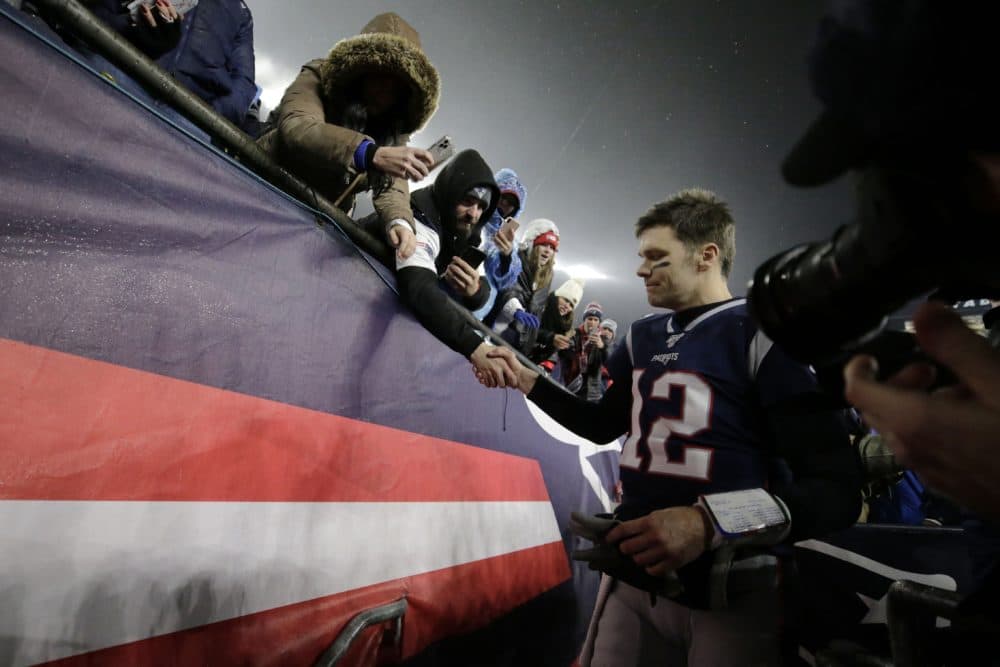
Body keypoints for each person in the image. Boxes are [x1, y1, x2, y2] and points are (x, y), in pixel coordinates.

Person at [481, 189, 861, 666]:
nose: (642, 270)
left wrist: (708, 522)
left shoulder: (763, 331)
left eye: (657, 258)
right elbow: (600, 425)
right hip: (634, 581)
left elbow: (836, 489)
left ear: (707, 255)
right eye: (643, 258)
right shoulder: (643, 335)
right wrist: (527, 379)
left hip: (731, 590)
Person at [257, 12, 439, 260]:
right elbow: (298, 127)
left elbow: (393, 183)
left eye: (394, 85)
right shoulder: (318, 76)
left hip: (314, 224)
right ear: (360, 69)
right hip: (262, 186)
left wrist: (400, 222)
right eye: (378, 75)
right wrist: (368, 153)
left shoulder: (392, 126)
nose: (383, 92)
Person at [388, 148, 514, 386]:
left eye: (481, 207)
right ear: (450, 193)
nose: (473, 214)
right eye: (467, 201)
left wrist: (474, 291)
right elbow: (419, 288)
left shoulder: (468, 235)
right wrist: (474, 347)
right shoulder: (420, 216)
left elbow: (484, 289)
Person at [488, 218, 559, 353]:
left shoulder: (547, 278)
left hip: (519, 347)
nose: (548, 251)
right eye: (544, 245)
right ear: (532, 244)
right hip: (498, 334)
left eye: (552, 248)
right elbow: (509, 289)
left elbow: (536, 314)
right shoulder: (517, 260)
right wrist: (515, 310)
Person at [473, 168, 527, 321]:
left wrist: (506, 257)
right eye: (503, 197)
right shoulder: (471, 213)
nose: (504, 204)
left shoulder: (510, 242)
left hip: (477, 311)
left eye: (511, 203)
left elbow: (506, 282)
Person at [559, 302, 609, 403]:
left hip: (590, 387)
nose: (592, 322)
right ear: (584, 320)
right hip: (570, 379)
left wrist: (602, 347)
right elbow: (562, 354)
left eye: (596, 320)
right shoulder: (574, 333)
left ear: (599, 322)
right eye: (589, 319)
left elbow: (609, 362)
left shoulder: (603, 340)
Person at [530, 277, 583, 370]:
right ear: (557, 295)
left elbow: (547, 353)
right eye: (566, 300)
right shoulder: (540, 305)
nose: (567, 306)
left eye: (571, 305)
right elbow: (526, 329)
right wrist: (551, 337)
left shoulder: (565, 327)